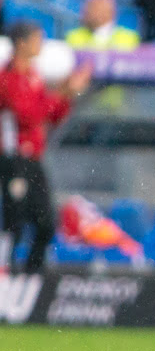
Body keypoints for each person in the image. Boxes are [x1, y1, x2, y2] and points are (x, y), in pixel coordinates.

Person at [0, 21, 91, 272]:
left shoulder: (34, 76)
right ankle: (5, 274)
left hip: (33, 159)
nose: (41, 44)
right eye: (37, 39)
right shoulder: (8, 78)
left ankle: (31, 276)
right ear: (21, 43)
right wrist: (62, 93)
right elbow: (26, 115)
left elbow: (51, 116)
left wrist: (67, 95)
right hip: (13, 158)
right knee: (13, 221)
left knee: (46, 222)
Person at [64, 0, 139, 50]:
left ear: (111, 12)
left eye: (95, 8)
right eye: (88, 9)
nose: (87, 12)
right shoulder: (73, 36)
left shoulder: (129, 37)